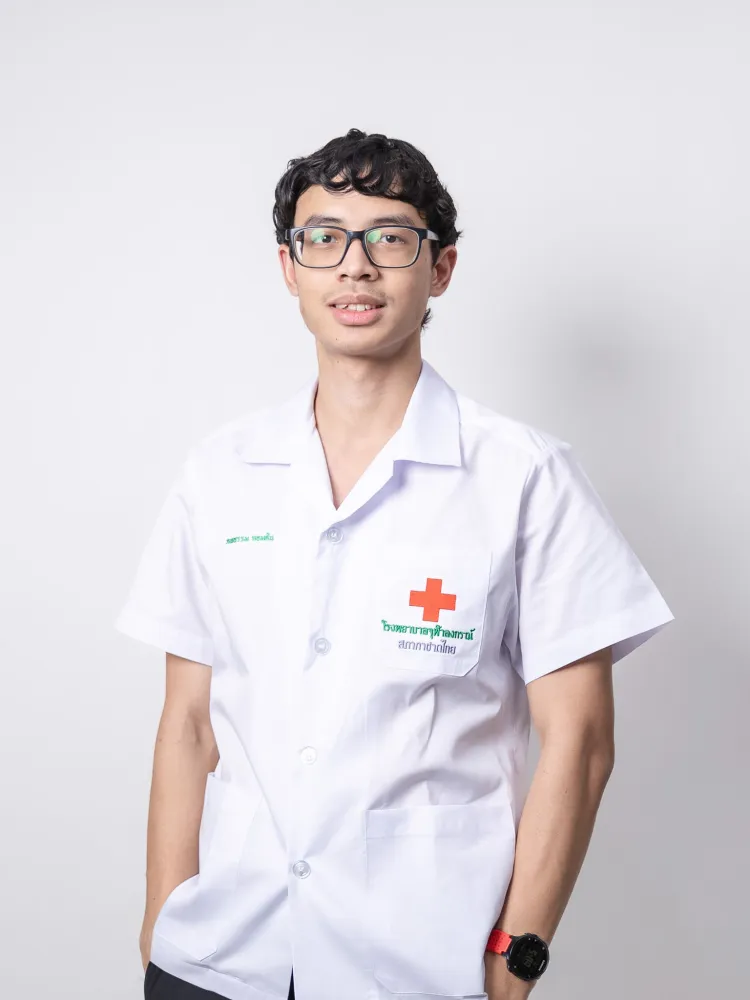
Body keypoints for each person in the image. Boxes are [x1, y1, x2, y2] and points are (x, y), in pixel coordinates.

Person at [115, 128, 675, 1000]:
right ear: (289, 268)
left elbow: (581, 740)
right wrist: (162, 925)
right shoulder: (221, 474)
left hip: (419, 968)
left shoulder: (523, 477)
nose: (355, 265)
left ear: (439, 269)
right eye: (324, 237)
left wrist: (516, 959)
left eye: (390, 237)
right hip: (221, 956)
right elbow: (187, 724)